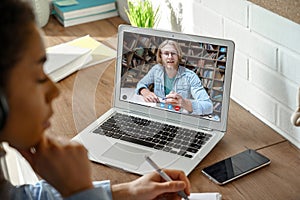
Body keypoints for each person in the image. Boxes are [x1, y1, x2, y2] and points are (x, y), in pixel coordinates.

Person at [0, 0, 191, 199]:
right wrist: (80, 191)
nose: (54, 91)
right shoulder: (155, 71)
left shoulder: (188, 77)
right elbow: (142, 85)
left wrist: (127, 192)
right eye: (39, 76)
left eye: (173, 54)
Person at [136, 40, 213, 115]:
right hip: (158, 113)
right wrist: (146, 92)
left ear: (178, 55)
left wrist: (184, 103)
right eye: (166, 53)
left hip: (179, 117)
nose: (170, 57)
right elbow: (141, 83)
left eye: (173, 53)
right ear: (160, 56)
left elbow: (208, 106)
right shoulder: (156, 70)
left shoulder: (191, 76)